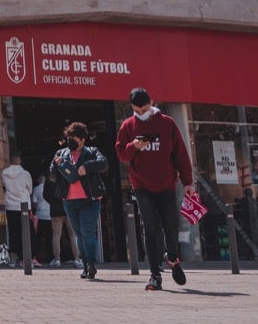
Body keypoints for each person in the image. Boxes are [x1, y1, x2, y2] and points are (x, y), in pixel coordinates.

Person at [116, 87, 193, 291]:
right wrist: (134, 146)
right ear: (132, 107)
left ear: (151, 103)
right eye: (137, 110)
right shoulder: (127, 126)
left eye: (145, 109)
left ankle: (173, 258)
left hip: (167, 183)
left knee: (171, 226)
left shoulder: (167, 123)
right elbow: (122, 155)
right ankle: (154, 275)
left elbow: (181, 154)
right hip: (141, 185)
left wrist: (188, 182)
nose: (141, 113)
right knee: (149, 228)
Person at [48, 121, 108, 280]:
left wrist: (87, 167)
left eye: (74, 138)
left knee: (88, 232)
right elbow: (52, 177)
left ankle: (91, 264)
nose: (70, 141)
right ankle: (86, 264)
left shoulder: (92, 151)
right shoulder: (61, 153)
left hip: (90, 200)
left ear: (82, 140)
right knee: (79, 234)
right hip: (70, 201)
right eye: (69, 138)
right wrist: (56, 165)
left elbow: (104, 164)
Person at [43, 147, 81, 269]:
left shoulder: (49, 179)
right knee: (72, 234)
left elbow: (45, 195)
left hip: (55, 210)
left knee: (56, 235)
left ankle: (57, 258)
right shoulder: (66, 174)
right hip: (68, 207)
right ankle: (77, 258)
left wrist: (53, 203)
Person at [1, 152, 32, 265]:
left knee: (13, 233)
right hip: (23, 204)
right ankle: (25, 259)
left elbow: (4, 186)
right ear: (19, 160)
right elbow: (30, 188)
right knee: (25, 233)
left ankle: (13, 258)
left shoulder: (4, 173)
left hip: (10, 204)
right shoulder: (25, 174)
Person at [31, 174, 52, 265]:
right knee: (50, 238)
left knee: (38, 238)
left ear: (39, 179)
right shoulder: (50, 187)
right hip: (50, 215)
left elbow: (34, 204)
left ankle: (36, 256)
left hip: (40, 215)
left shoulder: (36, 189)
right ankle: (51, 257)